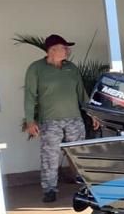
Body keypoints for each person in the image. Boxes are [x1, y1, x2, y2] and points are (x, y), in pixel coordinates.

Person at [23, 34, 96, 203]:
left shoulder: (72, 68)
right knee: (50, 157)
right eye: (64, 48)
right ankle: (49, 190)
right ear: (52, 50)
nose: (68, 51)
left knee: (80, 154)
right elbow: (30, 96)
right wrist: (30, 121)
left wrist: (93, 113)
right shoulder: (36, 68)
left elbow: (82, 94)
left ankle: (87, 187)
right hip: (50, 122)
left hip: (74, 120)